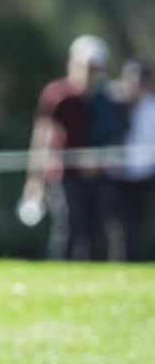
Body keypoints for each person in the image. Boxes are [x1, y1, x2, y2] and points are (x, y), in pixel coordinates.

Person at [21, 35, 111, 260]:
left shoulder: (106, 98)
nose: (89, 74)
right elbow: (41, 138)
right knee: (69, 228)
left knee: (93, 232)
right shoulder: (57, 95)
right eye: (86, 67)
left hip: (97, 176)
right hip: (62, 174)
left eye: (95, 69)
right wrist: (34, 179)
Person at [111, 59, 155, 261]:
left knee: (138, 226)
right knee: (118, 227)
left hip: (144, 175)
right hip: (117, 175)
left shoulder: (152, 109)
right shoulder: (114, 104)